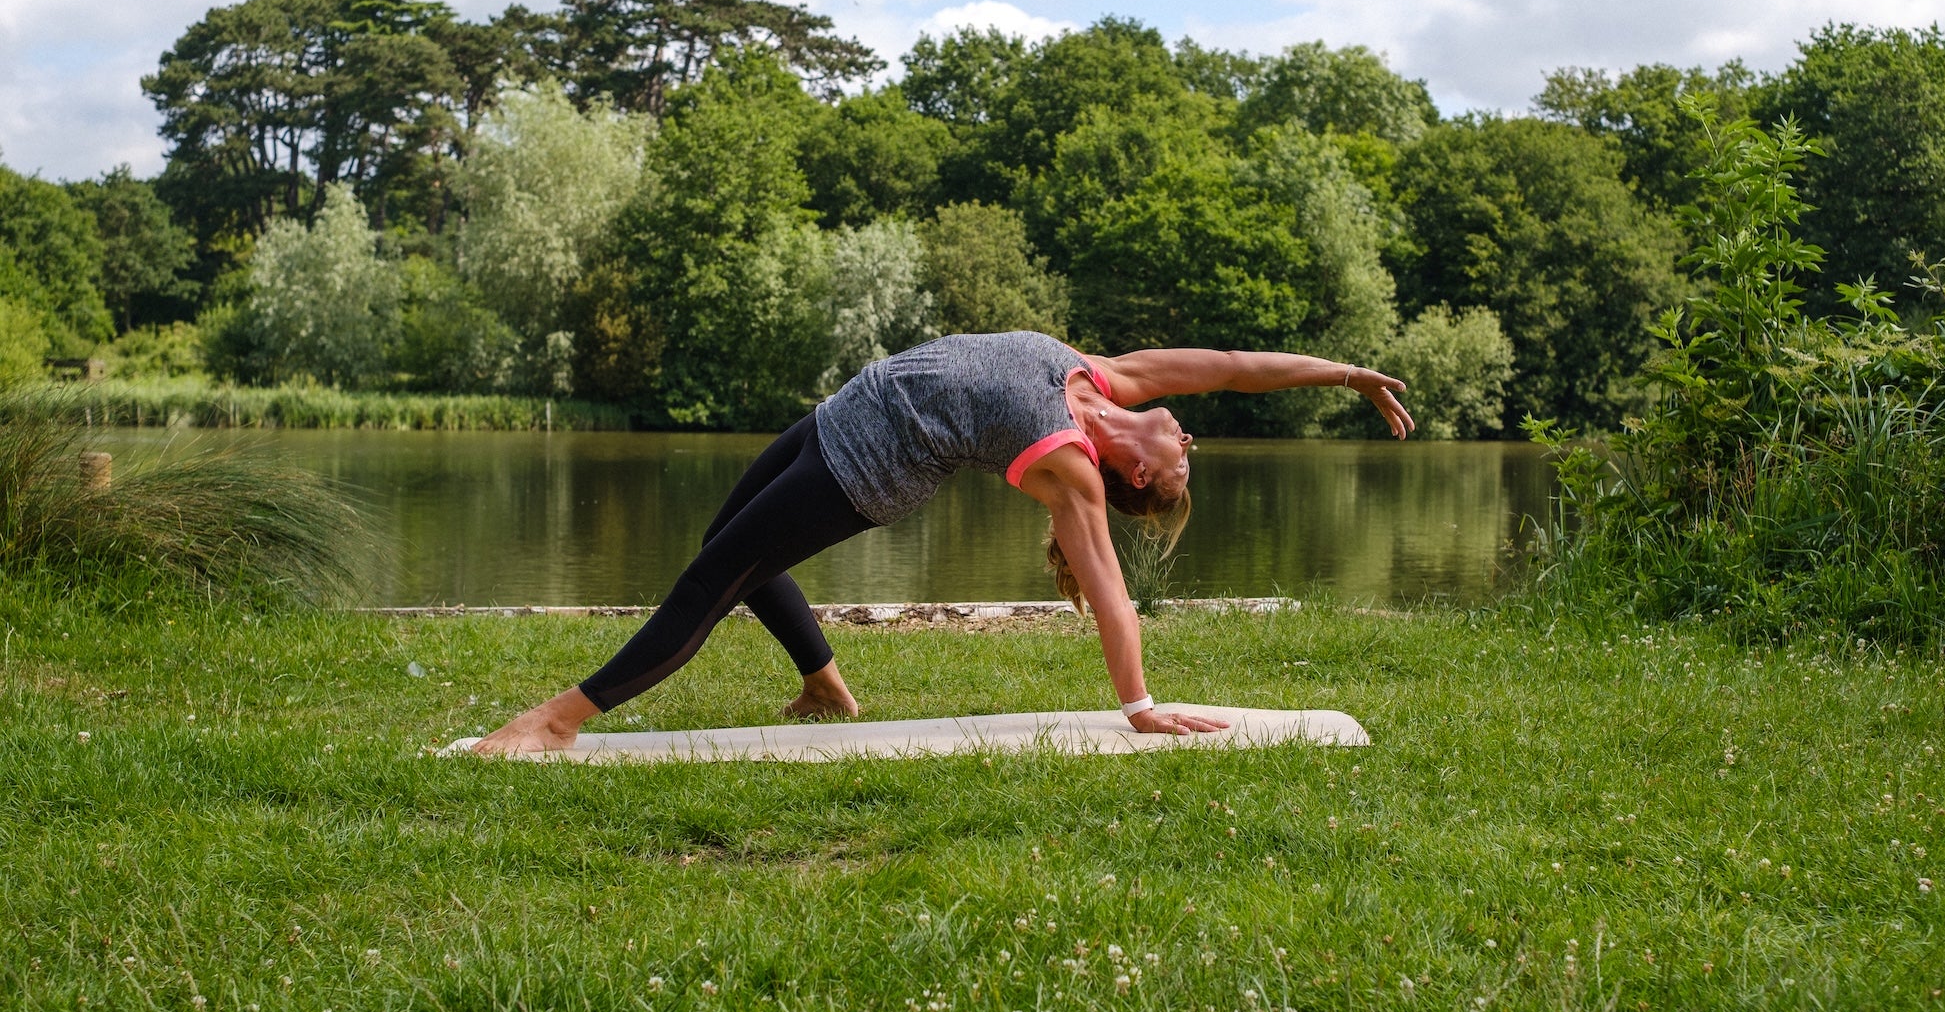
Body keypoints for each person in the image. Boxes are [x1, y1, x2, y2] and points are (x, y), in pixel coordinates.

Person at [471, 332, 1413, 754]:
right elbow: (1232, 368)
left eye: (1182, 473)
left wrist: (1143, 705)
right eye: (1188, 460)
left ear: (1135, 480)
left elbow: (1112, 594)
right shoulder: (1105, 379)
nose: (1190, 446)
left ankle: (557, 721)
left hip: (861, 470)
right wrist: (1343, 374)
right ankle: (824, 684)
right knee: (729, 544)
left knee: (714, 578)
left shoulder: (1073, 467)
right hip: (841, 412)